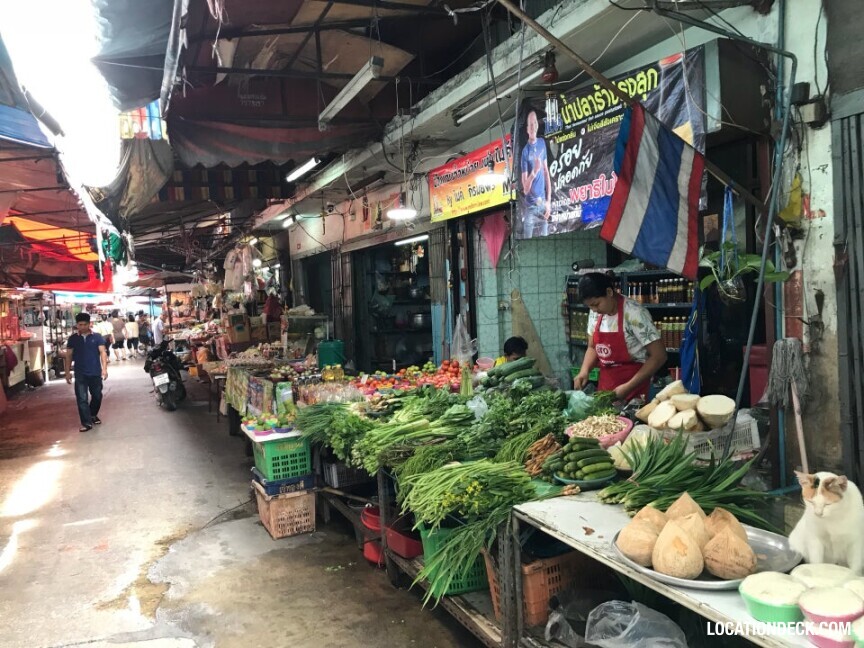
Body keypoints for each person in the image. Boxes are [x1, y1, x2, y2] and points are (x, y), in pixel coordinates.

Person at [572, 273, 667, 401]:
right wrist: (584, 371)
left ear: (609, 292)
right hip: (606, 384)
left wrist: (628, 387)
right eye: (590, 306)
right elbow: (592, 347)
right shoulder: (595, 313)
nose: (593, 310)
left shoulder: (634, 314)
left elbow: (659, 356)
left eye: (596, 304)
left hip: (635, 385)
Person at [64, 312, 108, 432]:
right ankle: (86, 422)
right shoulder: (73, 339)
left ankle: (92, 414)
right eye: (79, 325)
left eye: (84, 324)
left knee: (97, 396)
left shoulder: (97, 337)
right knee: (82, 399)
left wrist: (104, 369)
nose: (82, 327)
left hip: (95, 372)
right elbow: (68, 355)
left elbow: (103, 352)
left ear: (89, 324)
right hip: (80, 373)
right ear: (77, 325)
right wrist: (67, 372)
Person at [520, 110, 552, 239]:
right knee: (528, 242)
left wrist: (548, 201)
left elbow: (546, 173)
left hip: (543, 204)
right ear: (527, 129)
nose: (533, 126)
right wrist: (534, 172)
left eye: (534, 123)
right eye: (530, 124)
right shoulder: (525, 152)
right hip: (531, 208)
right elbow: (525, 188)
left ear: (537, 125)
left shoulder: (542, 143)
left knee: (546, 240)